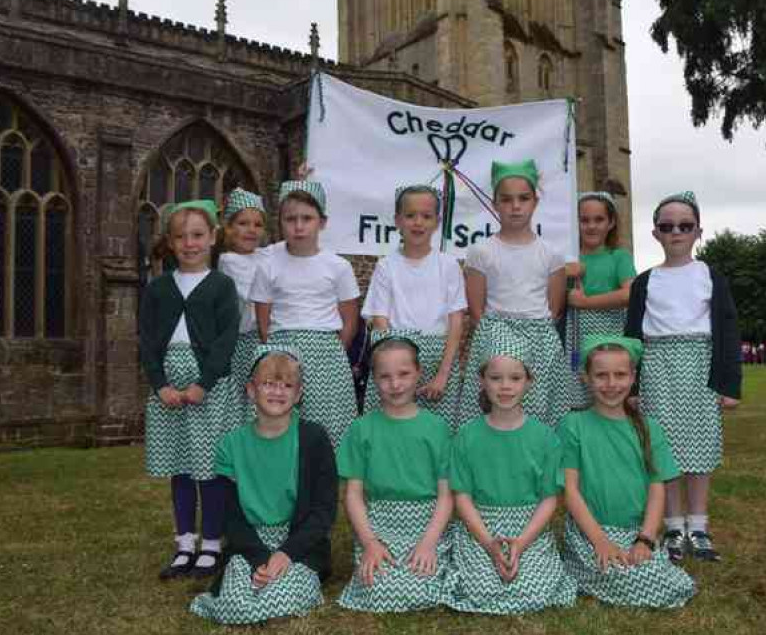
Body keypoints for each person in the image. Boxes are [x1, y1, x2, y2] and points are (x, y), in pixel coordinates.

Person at [625, 191, 742, 564]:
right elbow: (633, 336)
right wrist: (634, 385)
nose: (676, 232)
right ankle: (674, 525)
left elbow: (727, 331)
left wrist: (728, 384)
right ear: (656, 233)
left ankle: (700, 526)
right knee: (665, 450)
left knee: (699, 448)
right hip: (658, 367)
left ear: (698, 232)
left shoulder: (711, 276)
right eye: (667, 226)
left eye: (684, 226)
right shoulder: (645, 282)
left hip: (699, 367)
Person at [190, 345, 338, 624]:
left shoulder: (314, 438)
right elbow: (228, 514)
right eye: (268, 383)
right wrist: (259, 557)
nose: (277, 391)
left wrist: (285, 553)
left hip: (299, 545)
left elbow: (324, 511)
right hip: (249, 544)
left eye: (287, 385)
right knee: (233, 605)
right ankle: (247, 600)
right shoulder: (230, 445)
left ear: (298, 394)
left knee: (282, 595)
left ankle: (289, 595)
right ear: (251, 390)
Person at [442, 322, 577, 614]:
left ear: (529, 382)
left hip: (530, 528)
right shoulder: (466, 436)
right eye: (496, 378)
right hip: (481, 527)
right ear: (482, 381)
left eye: (515, 378)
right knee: (482, 587)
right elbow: (462, 497)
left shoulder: (545, 438)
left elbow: (548, 498)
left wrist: (523, 542)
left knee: (532, 588)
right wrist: (490, 544)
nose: (505, 386)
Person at [139, 199, 240, 580]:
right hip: (168, 389)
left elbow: (226, 339)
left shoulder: (221, 286)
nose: (189, 243)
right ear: (170, 241)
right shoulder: (159, 288)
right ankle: (185, 544)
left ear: (213, 237)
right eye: (180, 237)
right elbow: (147, 341)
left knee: (209, 468)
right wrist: (160, 385)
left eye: (198, 235)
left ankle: (212, 544)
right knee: (179, 467)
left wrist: (204, 383)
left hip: (208, 387)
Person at [559, 336, 695, 608]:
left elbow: (657, 488)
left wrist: (645, 538)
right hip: (590, 532)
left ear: (633, 377)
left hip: (635, 531)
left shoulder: (648, 428)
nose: (611, 384)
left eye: (620, 375)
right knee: (617, 572)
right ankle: (582, 570)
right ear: (586, 378)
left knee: (662, 579)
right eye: (601, 375)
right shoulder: (572, 425)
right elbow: (570, 491)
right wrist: (600, 541)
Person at [458, 159, 581, 429]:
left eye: (523, 198)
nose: (515, 206)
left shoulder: (551, 253)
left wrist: (535, 330)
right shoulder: (481, 252)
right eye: (507, 199)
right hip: (497, 330)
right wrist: (497, 337)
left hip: (539, 335)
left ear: (535, 202)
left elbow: (554, 308)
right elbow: (477, 310)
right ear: (495, 204)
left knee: (536, 409)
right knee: (498, 400)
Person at [336, 337, 454, 612]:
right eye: (385, 376)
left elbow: (446, 496)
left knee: (423, 587)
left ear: (418, 373)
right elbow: (353, 496)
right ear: (374, 379)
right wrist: (370, 543)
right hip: (380, 525)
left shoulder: (437, 428)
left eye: (404, 374)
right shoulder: (361, 429)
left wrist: (427, 543)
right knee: (379, 590)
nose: (395, 384)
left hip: (426, 525)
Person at [249, 181, 361, 448]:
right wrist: (275, 350)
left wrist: (333, 349)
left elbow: (350, 319)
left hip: (325, 351)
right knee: (279, 424)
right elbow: (263, 318)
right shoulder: (268, 264)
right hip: (282, 349)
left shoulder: (338, 266)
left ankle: (322, 483)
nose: (299, 226)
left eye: (307, 219)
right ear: (281, 223)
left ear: (322, 222)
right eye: (290, 219)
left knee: (326, 428)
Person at [361, 185, 467, 426]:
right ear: (398, 220)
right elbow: (380, 321)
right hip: (395, 361)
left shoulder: (448, 266)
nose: (418, 222)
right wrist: (396, 369)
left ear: (437, 221)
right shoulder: (386, 266)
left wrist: (443, 374)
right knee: (392, 429)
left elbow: (456, 321)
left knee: (438, 432)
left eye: (426, 216)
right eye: (410, 216)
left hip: (438, 361)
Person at [563, 191, 636, 384]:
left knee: (607, 387)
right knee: (576, 391)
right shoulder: (566, 260)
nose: (591, 226)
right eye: (584, 220)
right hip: (573, 338)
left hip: (609, 336)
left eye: (599, 219)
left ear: (611, 223)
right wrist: (563, 275)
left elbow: (629, 294)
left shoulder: (618, 257)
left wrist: (585, 302)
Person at [217, 188, 268, 426]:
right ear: (229, 228)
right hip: (245, 341)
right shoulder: (229, 261)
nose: (251, 230)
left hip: (265, 337)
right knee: (247, 399)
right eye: (243, 223)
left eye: (258, 225)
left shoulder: (265, 255)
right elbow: (255, 294)